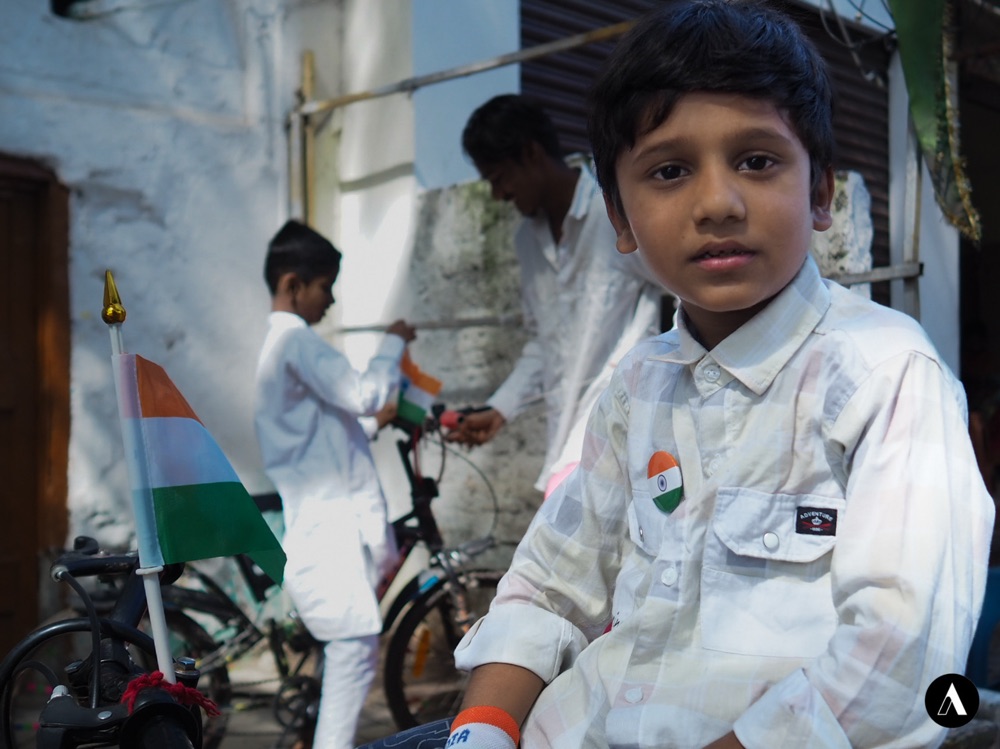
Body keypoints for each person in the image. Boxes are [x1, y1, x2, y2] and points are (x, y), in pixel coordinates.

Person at [436, 2, 995, 748]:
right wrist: (481, 730)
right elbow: (546, 586)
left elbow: (896, 661)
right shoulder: (636, 388)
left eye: (757, 161)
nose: (717, 204)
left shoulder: (886, 377)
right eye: (669, 171)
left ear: (820, 192)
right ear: (622, 221)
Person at [446, 93, 663, 496]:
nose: (498, 195)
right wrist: (500, 408)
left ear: (531, 153)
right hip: (567, 439)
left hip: (627, 424)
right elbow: (542, 345)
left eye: (498, 178)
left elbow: (689, 297)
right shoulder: (527, 242)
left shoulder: (613, 216)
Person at [253, 219, 415, 749]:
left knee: (349, 653)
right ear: (293, 284)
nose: (331, 299)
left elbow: (326, 435)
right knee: (353, 652)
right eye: (325, 286)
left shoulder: (279, 349)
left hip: (323, 520)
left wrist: (372, 424)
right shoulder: (296, 343)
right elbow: (363, 394)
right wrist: (392, 344)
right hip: (327, 529)